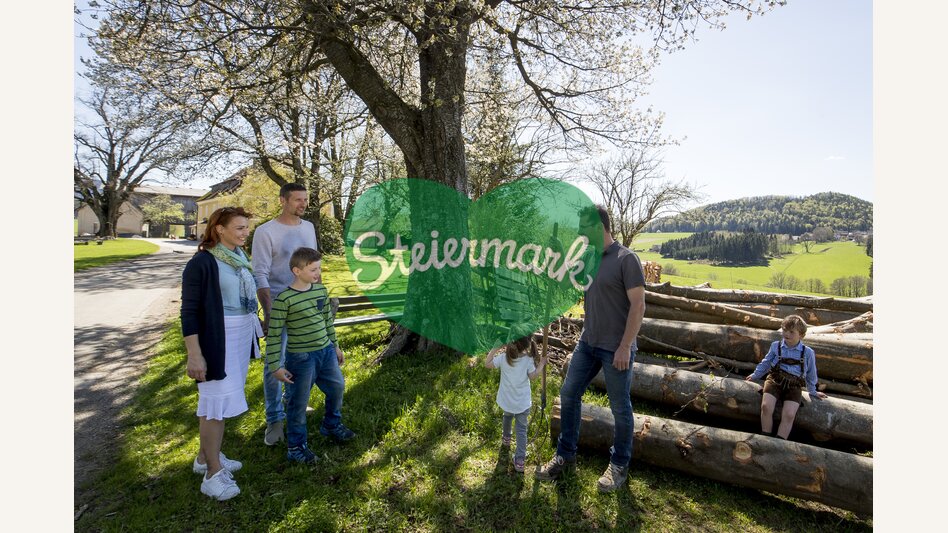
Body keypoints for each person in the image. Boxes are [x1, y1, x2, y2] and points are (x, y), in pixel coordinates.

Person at [536, 205, 646, 493]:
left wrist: (625, 346)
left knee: (620, 407)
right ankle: (566, 455)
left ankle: (619, 464)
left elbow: (638, 305)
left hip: (616, 348)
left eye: (584, 228)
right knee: (569, 393)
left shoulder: (626, 259)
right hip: (588, 342)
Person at [181, 206, 262, 501]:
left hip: (240, 335)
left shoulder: (239, 258)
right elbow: (189, 313)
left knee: (224, 398)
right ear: (219, 229)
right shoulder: (202, 262)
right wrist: (195, 354)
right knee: (214, 402)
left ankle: (205, 457)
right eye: (240, 228)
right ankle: (212, 474)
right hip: (217, 337)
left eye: (246, 227)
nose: (245, 232)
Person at [266, 247, 355, 463]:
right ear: (297, 270)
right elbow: (275, 336)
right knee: (298, 402)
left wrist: (335, 345)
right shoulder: (284, 300)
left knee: (337, 387)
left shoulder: (320, 291)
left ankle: (331, 424)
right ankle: (296, 447)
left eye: (319, 268)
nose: (318, 273)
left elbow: (326, 321)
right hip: (301, 358)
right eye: (313, 269)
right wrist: (274, 367)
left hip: (325, 352)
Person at [252, 183, 318, 446]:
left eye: (305, 199)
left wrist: (318, 298)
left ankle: (294, 405)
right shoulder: (265, 232)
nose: (303, 204)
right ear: (282, 200)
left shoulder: (309, 228)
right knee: (275, 363)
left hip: (306, 304)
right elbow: (260, 274)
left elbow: (315, 266)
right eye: (297, 200)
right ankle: (274, 419)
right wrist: (269, 313)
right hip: (280, 303)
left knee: (303, 359)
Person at [745, 315, 828, 439]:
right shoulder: (776, 346)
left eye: (791, 332)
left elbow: (811, 373)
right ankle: (765, 436)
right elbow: (766, 362)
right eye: (784, 330)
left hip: (794, 385)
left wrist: (813, 391)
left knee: (789, 414)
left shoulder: (807, 352)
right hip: (774, 380)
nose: (786, 334)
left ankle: (780, 441)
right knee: (766, 407)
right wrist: (756, 375)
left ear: (801, 335)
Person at [484, 335, 548, 473]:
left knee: (507, 416)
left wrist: (495, 348)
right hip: (522, 403)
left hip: (507, 400)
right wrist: (541, 365)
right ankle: (519, 460)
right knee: (521, 430)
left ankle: (506, 438)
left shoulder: (503, 358)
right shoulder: (528, 360)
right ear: (526, 345)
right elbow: (533, 377)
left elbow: (487, 363)